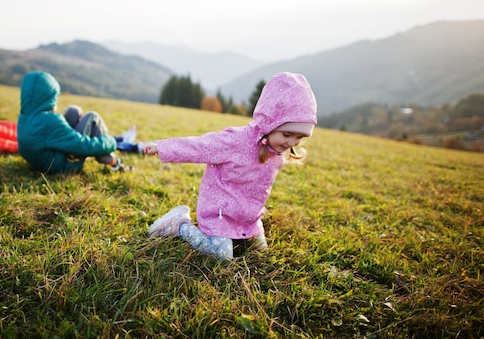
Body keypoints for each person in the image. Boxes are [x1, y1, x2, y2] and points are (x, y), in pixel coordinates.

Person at [142, 72, 317, 261]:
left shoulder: (277, 152)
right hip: (219, 213)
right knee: (221, 255)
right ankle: (179, 224)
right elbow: (200, 146)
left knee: (261, 254)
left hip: (249, 217)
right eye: (287, 134)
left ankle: (238, 231)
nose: (292, 142)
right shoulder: (236, 142)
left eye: (300, 137)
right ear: (270, 123)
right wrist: (163, 147)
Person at [17, 70, 130, 174]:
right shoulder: (50, 121)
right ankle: (113, 162)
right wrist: (110, 142)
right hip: (62, 167)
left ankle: (109, 156)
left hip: (41, 162)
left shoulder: (24, 117)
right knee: (92, 117)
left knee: (73, 111)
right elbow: (82, 146)